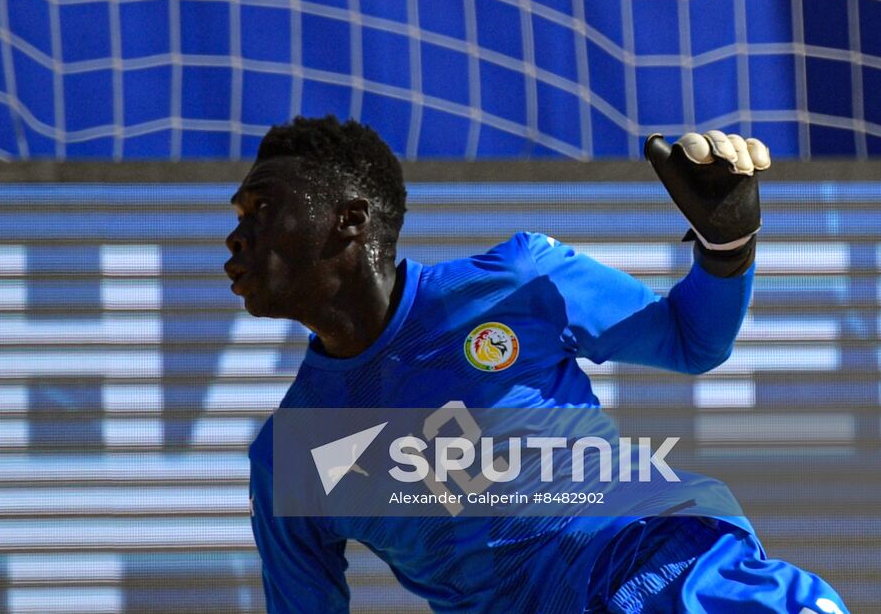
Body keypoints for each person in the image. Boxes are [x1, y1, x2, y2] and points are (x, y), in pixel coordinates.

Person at [226, 116, 848, 613]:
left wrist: (727, 245)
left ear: (349, 222)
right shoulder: (286, 460)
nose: (236, 235)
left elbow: (693, 340)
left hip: (657, 561)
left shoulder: (518, 279)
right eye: (236, 215)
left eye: (260, 208)